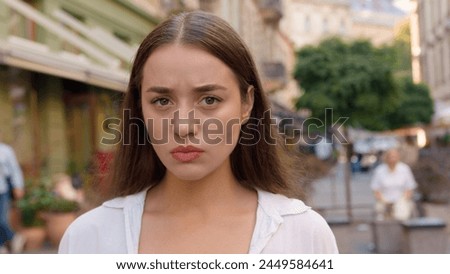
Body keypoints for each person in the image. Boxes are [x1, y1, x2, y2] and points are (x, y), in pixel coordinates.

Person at [59, 11, 338, 254]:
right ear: (139, 108)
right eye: (162, 101)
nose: (183, 127)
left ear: (246, 104)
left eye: (209, 100)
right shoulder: (88, 239)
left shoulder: (303, 235)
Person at [370, 148, 417, 221]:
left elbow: (410, 187)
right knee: (380, 216)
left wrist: (404, 199)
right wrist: (383, 200)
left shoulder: (404, 169)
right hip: (384, 199)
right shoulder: (379, 170)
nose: (392, 159)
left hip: (401, 198)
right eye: (390, 157)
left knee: (402, 213)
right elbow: (376, 189)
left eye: (394, 156)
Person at [0, 130, 25, 253]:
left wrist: (18, 186)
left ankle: (14, 237)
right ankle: (2, 246)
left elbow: (15, 170)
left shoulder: (6, 151)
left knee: (2, 219)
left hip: (2, 190)